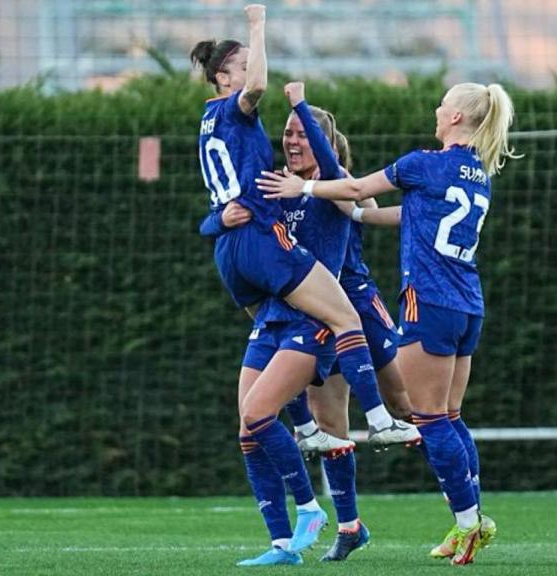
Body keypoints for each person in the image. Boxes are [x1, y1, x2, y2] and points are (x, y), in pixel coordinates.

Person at [257, 82, 519, 565]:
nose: (436, 110)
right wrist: (355, 213)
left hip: (430, 301)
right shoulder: (477, 172)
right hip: (468, 303)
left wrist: (306, 187)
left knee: (428, 417)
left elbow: (357, 185)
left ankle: (468, 525)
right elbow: (406, 214)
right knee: (451, 416)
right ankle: (472, 515)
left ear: (458, 117)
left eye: (442, 104)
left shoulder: (424, 161)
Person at [197, 79, 419, 565]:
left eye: (301, 134)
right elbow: (216, 219)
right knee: (324, 426)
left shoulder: (335, 186)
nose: (291, 142)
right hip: (290, 318)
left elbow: (360, 204)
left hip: (344, 308)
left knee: (410, 403)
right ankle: (346, 525)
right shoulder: (274, 184)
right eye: (287, 134)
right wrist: (224, 219)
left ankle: (458, 495)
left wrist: (300, 108)